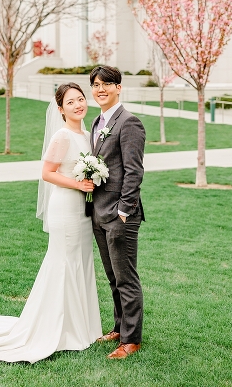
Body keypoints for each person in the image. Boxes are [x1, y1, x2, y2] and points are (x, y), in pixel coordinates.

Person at [0, 83, 102, 363]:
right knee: (63, 261)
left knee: (82, 261)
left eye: (81, 99)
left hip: (83, 210)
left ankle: (82, 327)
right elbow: (47, 173)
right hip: (65, 207)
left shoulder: (88, 135)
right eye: (70, 102)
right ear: (60, 110)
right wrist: (78, 184)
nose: (78, 105)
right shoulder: (61, 136)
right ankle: (58, 329)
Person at [87, 65, 146, 360]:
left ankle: (131, 339)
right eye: (96, 84)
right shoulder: (97, 122)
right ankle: (119, 328)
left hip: (121, 215)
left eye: (106, 84)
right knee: (112, 277)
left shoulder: (129, 123)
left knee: (126, 277)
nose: (100, 89)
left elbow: (134, 171)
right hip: (98, 212)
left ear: (119, 88)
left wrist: (124, 210)